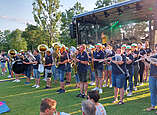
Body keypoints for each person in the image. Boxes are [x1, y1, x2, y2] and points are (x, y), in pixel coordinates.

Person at [146, 44, 157, 114]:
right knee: (152, 92)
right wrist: (144, 60)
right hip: (152, 76)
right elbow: (149, 66)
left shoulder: (152, 58)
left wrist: (150, 60)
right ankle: (153, 106)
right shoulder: (153, 56)